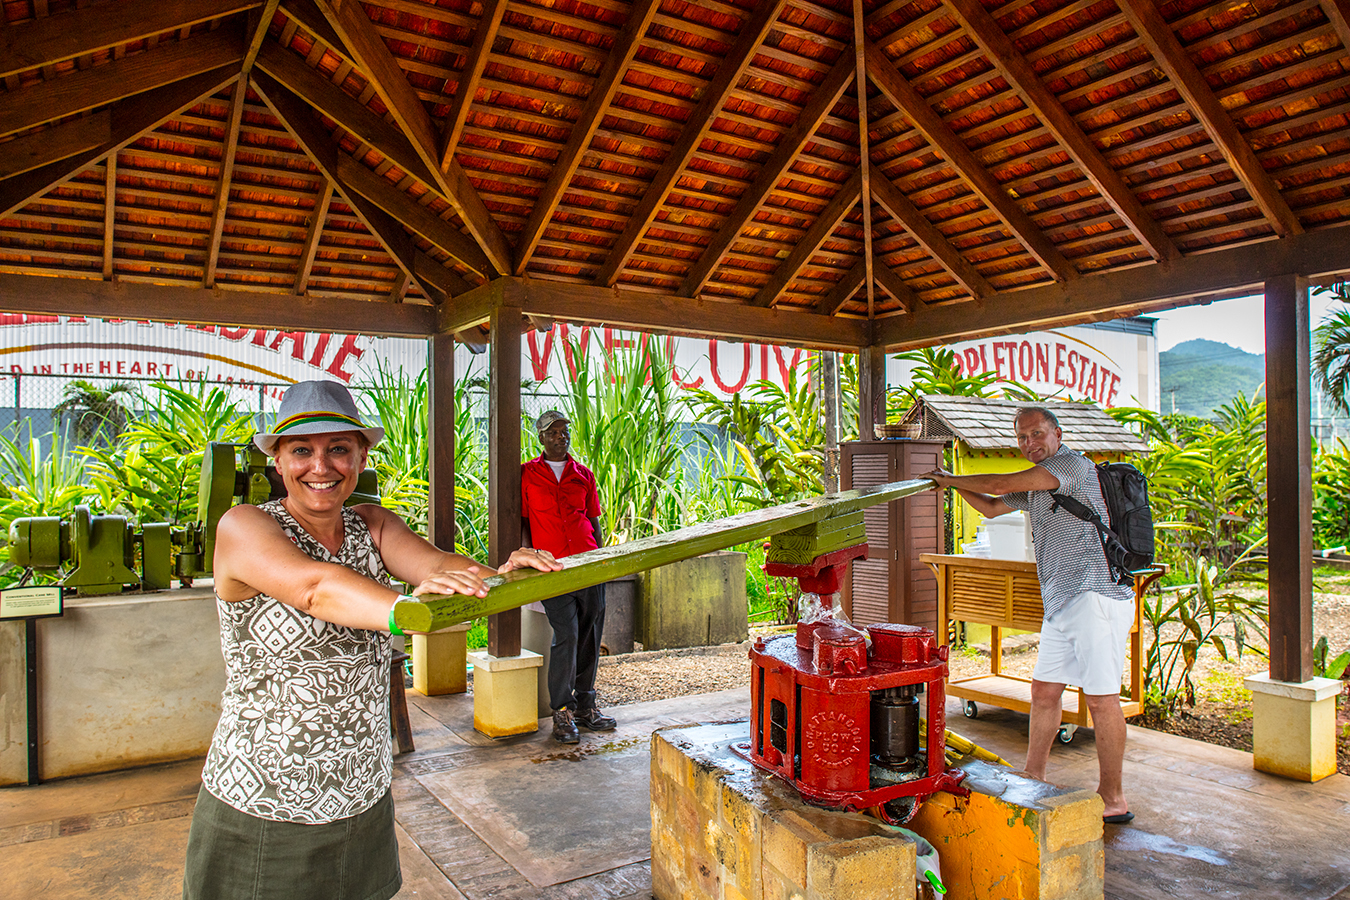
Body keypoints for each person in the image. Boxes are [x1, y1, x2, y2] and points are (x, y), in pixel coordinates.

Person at [181, 380, 561, 900]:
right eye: (302, 451)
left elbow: (436, 567)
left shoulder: (371, 525)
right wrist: (407, 611)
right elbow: (314, 588)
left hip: (361, 791)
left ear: (361, 456)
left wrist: (498, 576)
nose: (322, 466)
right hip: (266, 799)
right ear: (277, 462)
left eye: (339, 448)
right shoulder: (244, 526)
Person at [926, 406, 1136, 824]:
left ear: (1057, 433)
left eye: (1036, 434)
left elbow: (1001, 481)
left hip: (1095, 595)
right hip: (1061, 601)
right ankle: (1032, 775)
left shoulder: (1070, 467)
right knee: (1043, 692)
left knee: (1100, 698)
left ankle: (1113, 797)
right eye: (1022, 438)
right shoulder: (1040, 486)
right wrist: (948, 487)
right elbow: (990, 506)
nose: (1029, 444)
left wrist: (950, 478)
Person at [521, 409, 617, 744]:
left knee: (591, 634)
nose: (560, 437)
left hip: (589, 563)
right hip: (553, 569)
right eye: (553, 433)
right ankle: (561, 711)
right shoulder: (528, 475)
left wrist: (604, 561)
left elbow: (593, 521)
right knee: (567, 635)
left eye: (564, 432)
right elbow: (522, 523)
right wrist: (527, 558)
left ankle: (585, 707)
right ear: (541, 438)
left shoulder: (583, 475)